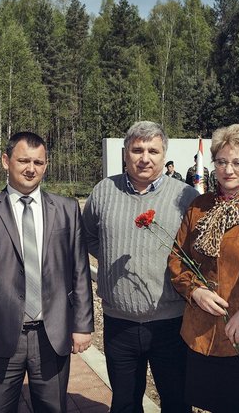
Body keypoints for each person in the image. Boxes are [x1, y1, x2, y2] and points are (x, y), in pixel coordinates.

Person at [0, 132, 94, 413]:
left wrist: (82, 325)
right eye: (23, 161)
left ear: (46, 165)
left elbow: (79, 270)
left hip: (51, 335)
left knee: (53, 408)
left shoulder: (67, 210)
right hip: (0, 335)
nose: (31, 169)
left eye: (38, 162)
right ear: (6, 161)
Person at [83, 121, 198, 413]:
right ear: (125, 153)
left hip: (171, 323)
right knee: (124, 403)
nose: (144, 158)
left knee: (176, 403)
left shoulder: (186, 197)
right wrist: (113, 256)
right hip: (119, 324)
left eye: (153, 151)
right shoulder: (104, 191)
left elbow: (196, 251)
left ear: (164, 155)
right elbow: (90, 237)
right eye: (137, 150)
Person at [169, 124, 239, 412]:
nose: (228, 170)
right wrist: (195, 291)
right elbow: (177, 258)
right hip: (202, 332)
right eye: (221, 162)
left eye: (238, 162)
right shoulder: (199, 206)